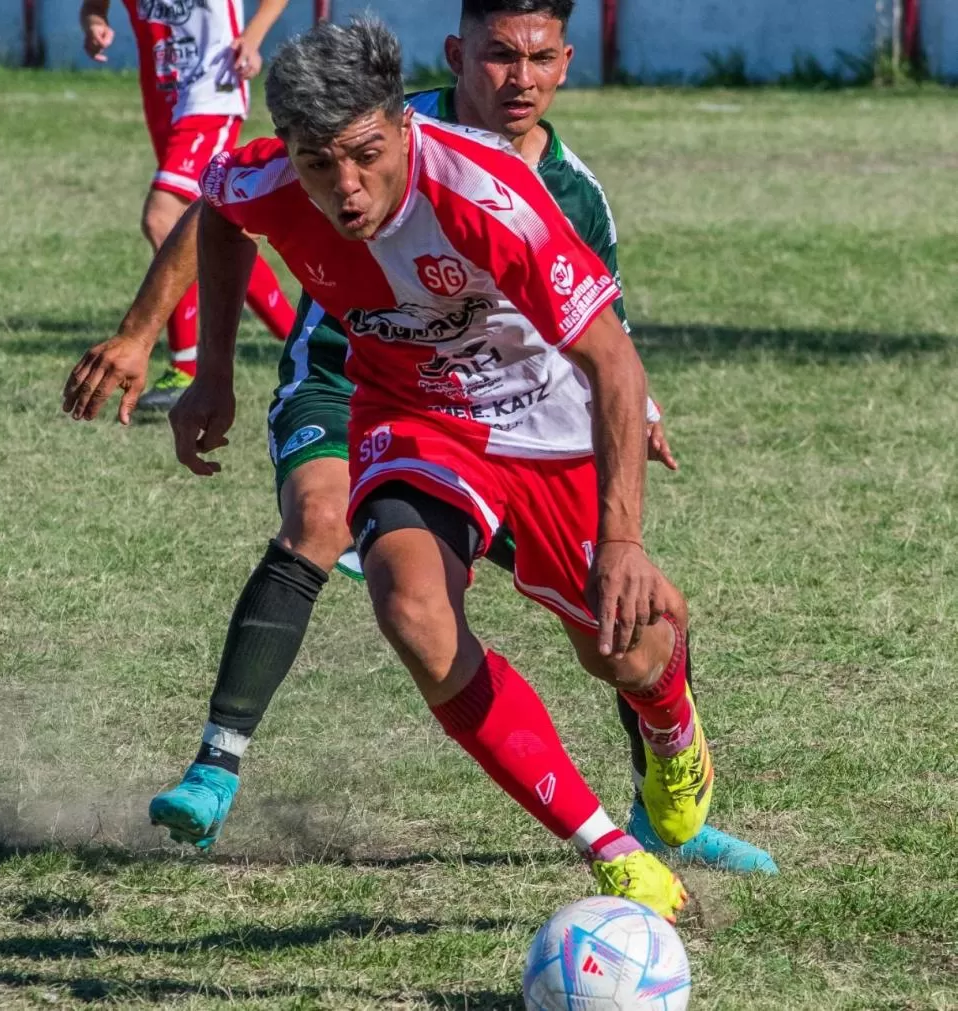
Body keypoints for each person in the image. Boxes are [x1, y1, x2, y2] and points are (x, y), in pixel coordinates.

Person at [64, 0, 776, 875]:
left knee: (626, 646)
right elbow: (218, 207)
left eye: (364, 158)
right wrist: (203, 365)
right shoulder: (290, 172)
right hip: (409, 406)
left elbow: (612, 354)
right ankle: (613, 852)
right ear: (456, 55)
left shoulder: (508, 192)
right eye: (321, 165)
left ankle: (670, 747)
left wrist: (624, 534)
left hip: (539, 419)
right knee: (401, 597)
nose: (346, 187)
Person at [79, 0, 297, 410]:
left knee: (164, 218)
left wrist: (251, 38)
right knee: (219, 228)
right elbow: (93, 6)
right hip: (164, 101)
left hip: (213, 93)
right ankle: (303, 342)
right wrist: (94, 24)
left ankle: (184, 368)